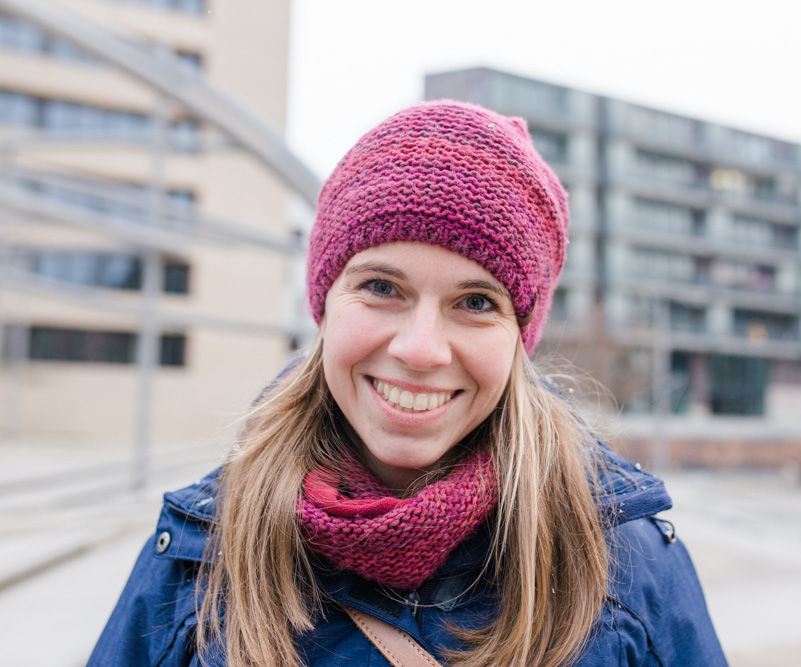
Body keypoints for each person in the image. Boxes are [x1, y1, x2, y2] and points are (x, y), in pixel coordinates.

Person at [89, 100, 727, 667]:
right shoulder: (199, 553)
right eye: (381, 287)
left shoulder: (625, 562)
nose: (420, 350)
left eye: (475, 302)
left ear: (519, 336)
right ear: (324, 304)